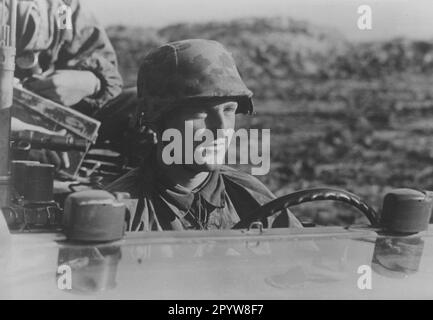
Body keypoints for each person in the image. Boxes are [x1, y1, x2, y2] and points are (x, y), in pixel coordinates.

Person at [106, 39, 302, 231]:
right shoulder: (119, 213)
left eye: (228, 110)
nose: (221, 128)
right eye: (200, 113)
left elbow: (305, 256)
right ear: (158, 120)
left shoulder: (248, 195)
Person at [8, 0, 139, 169]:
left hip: (65, 123)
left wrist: (91, 81)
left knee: (142, 102)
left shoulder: (64, 9)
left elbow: (105, 68)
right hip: (13, 130)